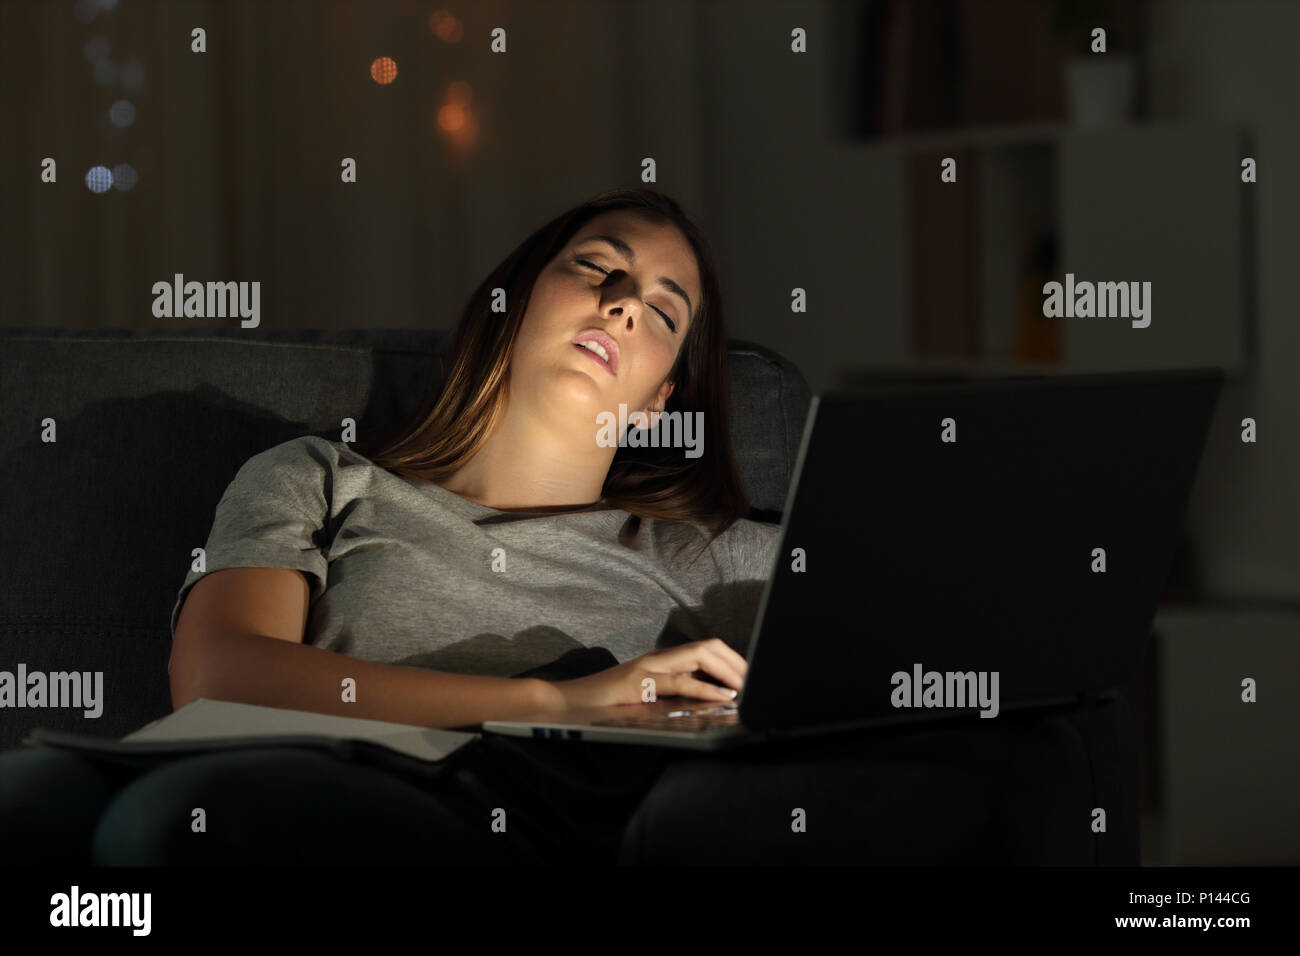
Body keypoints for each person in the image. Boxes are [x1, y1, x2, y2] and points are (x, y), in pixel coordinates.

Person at [0, 187, 788, 866]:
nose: (620, 299)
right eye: (592, 265)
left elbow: (879, 639)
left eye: (659, 309)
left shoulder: (715, 561)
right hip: (234, 760)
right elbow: (216, 679)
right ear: (512, 298)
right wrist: (562, 701)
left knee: (167, 823)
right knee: (28, 798)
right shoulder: (316, 476)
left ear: (659, 400)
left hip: (435, 807)